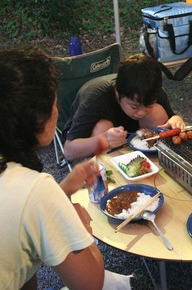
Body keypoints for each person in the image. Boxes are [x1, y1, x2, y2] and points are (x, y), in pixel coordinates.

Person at [0, 48, 106, 289]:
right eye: (55, 103)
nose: (57, 111)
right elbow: (91, 284)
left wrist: (62, 191)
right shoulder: (34, 189)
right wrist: (83, 230)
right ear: (40, 120)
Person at [63, 53, 186, 161]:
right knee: (102, 127)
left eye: (148, 105)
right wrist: (104, 139)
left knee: (156, 113)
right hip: (95, 137)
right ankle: (111, 173)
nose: (141, 113)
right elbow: (69, 151)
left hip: (133, 132)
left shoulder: (151, 90)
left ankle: (154, 161)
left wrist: (175, 119)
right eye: (134, 106)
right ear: (117, 93)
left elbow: (171, 117)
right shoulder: (95, 99)